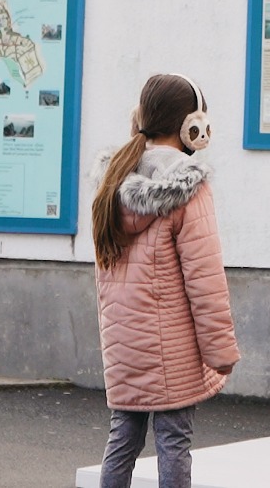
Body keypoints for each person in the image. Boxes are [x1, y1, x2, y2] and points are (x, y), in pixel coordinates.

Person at [91, 73, 240, 488]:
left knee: (123, 438)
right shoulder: (190, 187)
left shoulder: (112, 181)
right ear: (192, 126)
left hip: (124, 344)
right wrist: (220, 351)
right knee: (174, 441)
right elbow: (204, 279)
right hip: (170, 347)